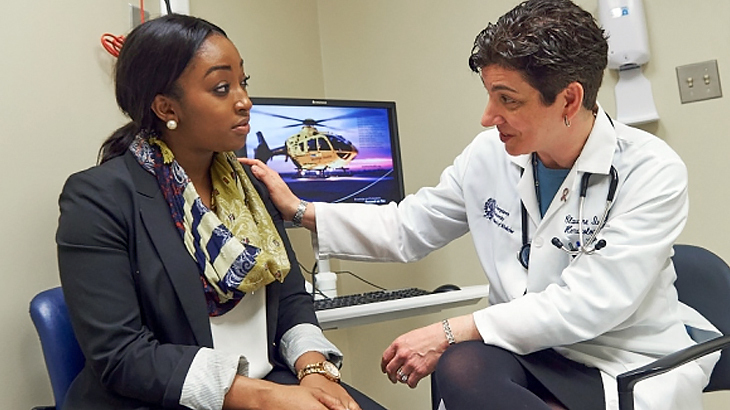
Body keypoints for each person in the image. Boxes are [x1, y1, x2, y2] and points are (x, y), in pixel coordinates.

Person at [239, 1, 722, 409]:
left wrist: (452, 328)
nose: (489, 116)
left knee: (457, 351)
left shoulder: (650, 170)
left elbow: (590, 304)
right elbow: (411, 227)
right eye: (490, 95)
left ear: (569, 100)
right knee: (462, 368)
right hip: (531, 351)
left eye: (507, 99)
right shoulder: (490, 154)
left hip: (624, 358)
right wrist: (300, 211)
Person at [56, 14, 386, 410]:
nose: (244, 101)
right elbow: (123, 356)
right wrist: (268, 399)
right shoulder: (98, 198)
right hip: (164, 399)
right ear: (165, 107)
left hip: (271, 384)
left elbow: (291, 299)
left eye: (243, 83)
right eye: (221, 87)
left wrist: (315, 371)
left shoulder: (252, 189)